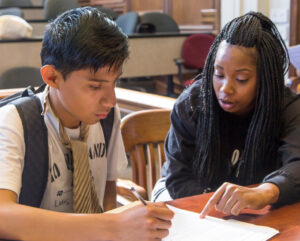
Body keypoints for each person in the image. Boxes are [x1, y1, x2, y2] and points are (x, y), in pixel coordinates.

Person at [0, 7, 173, 241]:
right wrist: (111, 225)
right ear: (52, 77)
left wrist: (115, 224)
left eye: (114, 83)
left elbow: (107, 191)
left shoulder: (107, 117)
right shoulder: (17, 120)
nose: (110, 100)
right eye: (95, 86)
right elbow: (3, 215)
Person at [152, 11, 300, 217]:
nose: (225, 89)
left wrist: (264, 192)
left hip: (256, 208)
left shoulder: (288, 109)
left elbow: (297, 164)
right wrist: (221, 206)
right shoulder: (192, 103)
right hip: (190, 198)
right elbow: (178, 177)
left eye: (241, 79)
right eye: (219, 74)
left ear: (266, 80)